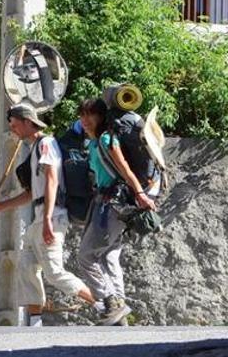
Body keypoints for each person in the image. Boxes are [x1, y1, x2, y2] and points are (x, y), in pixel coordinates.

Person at [0, 105, 122, 326]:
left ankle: (104, 305)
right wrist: (1, 206)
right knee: (27, 267)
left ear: (29, 122)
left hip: (52, 216)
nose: (13, 130)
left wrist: (47, 219)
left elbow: (51, 179)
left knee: (55, 273)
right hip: (39, 218)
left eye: (15, 125)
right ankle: (35, 324)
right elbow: (33, 193)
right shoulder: (34, 149)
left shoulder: (46, 144)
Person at [77, 98, 156, 326]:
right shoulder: (92, 144)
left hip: (113, 204)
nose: (85, 119)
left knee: (86, 255)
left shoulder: (106, 139)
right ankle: (119, 313)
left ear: (101, 117)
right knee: (110, 256)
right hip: (104, 203)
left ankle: (111, 301)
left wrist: (141, 194)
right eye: (82, 115)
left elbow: (125, 169)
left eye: (90, 114)